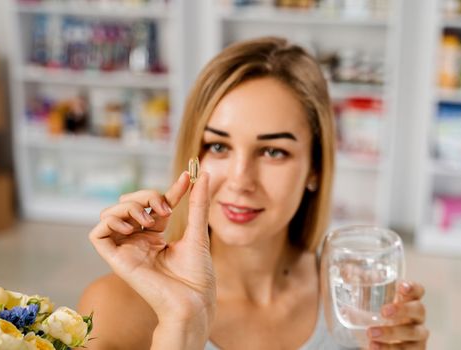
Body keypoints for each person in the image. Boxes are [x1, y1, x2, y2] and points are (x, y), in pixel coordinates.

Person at [78, 37, 429, 350]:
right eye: (218, 146)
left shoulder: (356, 300)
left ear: (315, 168)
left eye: (273, 151)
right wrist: (180, 324)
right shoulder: (114, 307)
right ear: (193, 156)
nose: (240, 180)